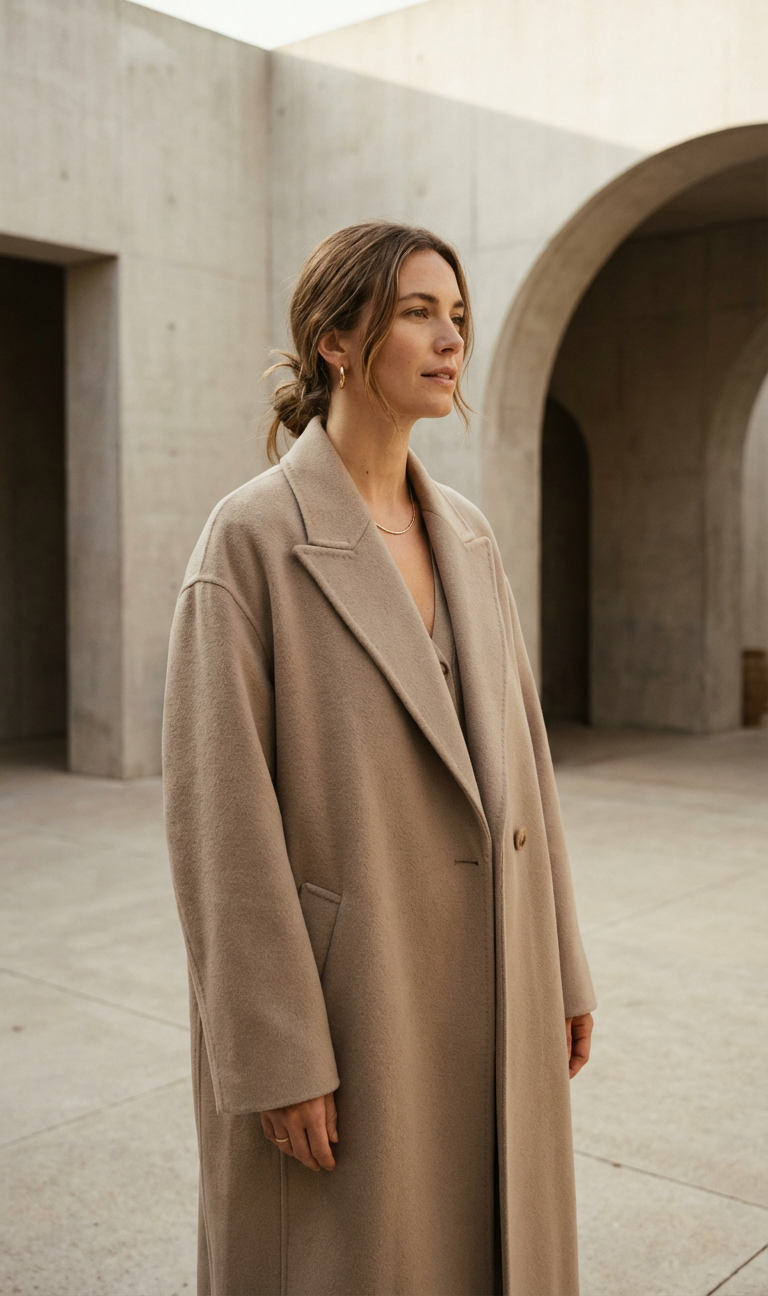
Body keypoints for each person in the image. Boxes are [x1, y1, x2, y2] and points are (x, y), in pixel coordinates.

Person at [163, 221, 595, 1296]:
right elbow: (222, 823)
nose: (452, 339)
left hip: (498, 979)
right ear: (336, 340)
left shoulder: (472, 536)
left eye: (457, 315)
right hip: (359, 1009)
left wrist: (564, 964)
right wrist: (277, 1053)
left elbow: (528, 769)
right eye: (418, 312)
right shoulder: (250, 540)